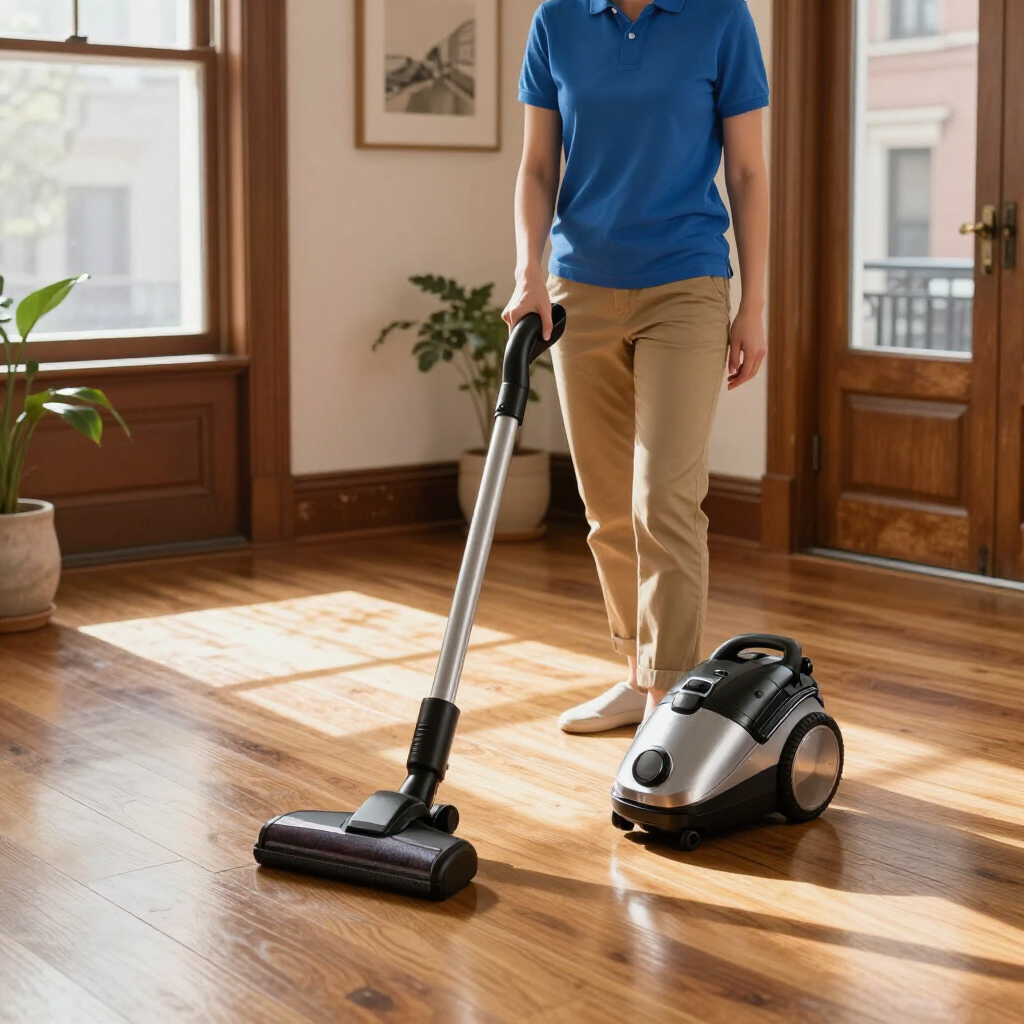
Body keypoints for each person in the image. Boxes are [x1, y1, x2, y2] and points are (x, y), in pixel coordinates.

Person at [503, 0, 770, 733]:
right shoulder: (557, 20)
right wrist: (529, 270)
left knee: (665, 499)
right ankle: (637, 672)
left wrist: (753, 305)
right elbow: (536, 166)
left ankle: (670, 699)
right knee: (608, 507)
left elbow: (747, 171)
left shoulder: (720, 18)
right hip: (577, 288)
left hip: (685, 282)